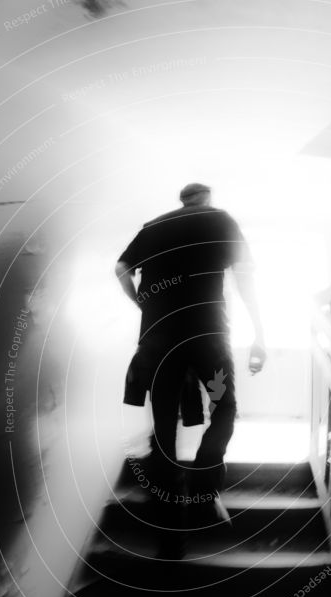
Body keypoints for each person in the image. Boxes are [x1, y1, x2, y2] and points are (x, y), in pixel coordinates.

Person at [115, 182, 266, 558]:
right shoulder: (219, 219)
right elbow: (245, 275)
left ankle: (170, 543)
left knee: (164, 428)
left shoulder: (153, 227)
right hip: (207, 341)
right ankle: (202, 493)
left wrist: (143, 306)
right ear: (207, 198)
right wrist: (260, 332)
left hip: (161, 345)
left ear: (181, 200)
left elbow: (120, 268)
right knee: (224, 406)